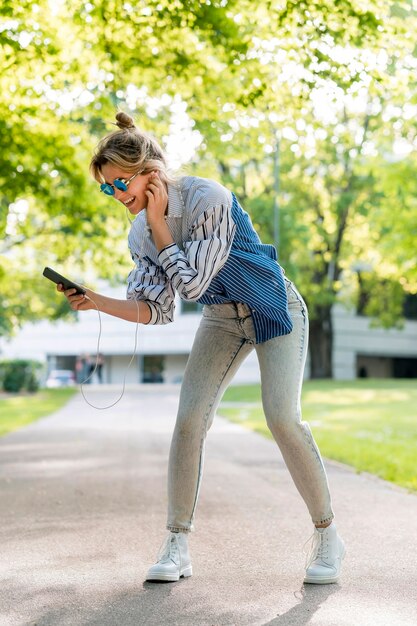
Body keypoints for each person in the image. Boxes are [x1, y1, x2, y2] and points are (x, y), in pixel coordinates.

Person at [58, 111, 345, 585]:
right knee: (189, 419)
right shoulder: (139, 234)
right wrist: (96, 301)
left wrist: (161, 226)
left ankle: (328, 536)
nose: (114, 196)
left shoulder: (209, 198)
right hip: (222, 320)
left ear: (150, 173)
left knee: (281, 416)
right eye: (106, 188)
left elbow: (190, 285)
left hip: (275, 306)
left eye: (118, 184)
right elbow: (156, 309)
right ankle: (177, 543)